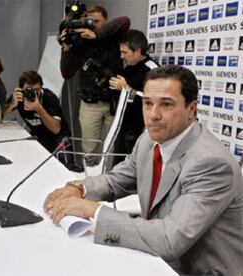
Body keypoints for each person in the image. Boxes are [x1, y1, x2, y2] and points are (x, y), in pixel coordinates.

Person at [43, 65, 243, 275]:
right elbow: (117, 180)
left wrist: (94, 211)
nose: (153, 115)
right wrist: (80, 189)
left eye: (166, 104)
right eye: (147, 103)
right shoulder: (148, 140)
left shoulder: (210, 163)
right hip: (157, 258)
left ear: (191, 109)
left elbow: (169, 239)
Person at [59, 5, 130, 166]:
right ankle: (90, 182)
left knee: (111, 149)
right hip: (90, 104)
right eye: (90, 22)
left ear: (106, 21)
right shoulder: (80, 43)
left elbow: (125, 21)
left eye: (97, 21)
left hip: (113, 102)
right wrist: (66, 49)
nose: (93, 24)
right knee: (90, 151)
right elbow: (66, 73)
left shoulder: (113, 37)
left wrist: (96, 34)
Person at [108, 29, 159, 163]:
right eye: (121, 52)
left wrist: (126, 89)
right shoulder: (128, 68)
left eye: (125, 52)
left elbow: (155, 101)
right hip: (122, 127)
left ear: (137, 51)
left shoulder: (153, 71)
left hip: (140, 131)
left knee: (133, 172)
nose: (121, 56)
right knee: (118, 169)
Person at [4, 71, 72, 164]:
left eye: (36, 90)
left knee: (62, 160)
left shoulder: (49, 98)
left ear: (41, 88)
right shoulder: (19, 97)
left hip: (58, 137)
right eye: (29, 90)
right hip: (38, 135)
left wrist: (38, 108)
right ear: (21, 90)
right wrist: (12, 104)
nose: (33, 94)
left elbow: (56, 129)